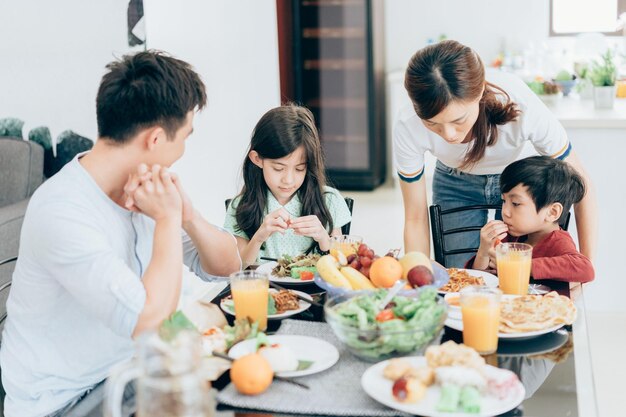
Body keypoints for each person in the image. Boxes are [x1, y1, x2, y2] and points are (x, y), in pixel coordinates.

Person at [0, 51, 241, 417]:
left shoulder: (146, 188)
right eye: (185, 138)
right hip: (67, 402)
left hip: (129, 376)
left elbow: (227, 267)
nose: (183, 151)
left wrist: (186, 216)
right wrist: (166, 219)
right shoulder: (63, 211)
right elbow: (151, 321)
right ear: (156, 139)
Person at [393, 40, 597, 267]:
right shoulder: (408, 123)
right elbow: (415, 217)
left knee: (522, 273)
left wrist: (587, 263)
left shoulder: (519, 101)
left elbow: (581, 185)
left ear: (479, 92)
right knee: (463, 274)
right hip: (455, 182)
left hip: (520, 184)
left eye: (458, 120)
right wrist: (418, 276)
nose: (449, 135)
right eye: (432, 124)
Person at [224, 105, 352, 266]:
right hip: (266, 290)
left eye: (299, 168)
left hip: (316, 290)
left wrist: (323, 238)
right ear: (257, 159)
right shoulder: (241, 206)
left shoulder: (329, 200)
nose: (289, 180)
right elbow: (239, 269)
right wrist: (259, 237)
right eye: (278, 168)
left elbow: (343, 264)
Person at [468, 156, 594, 282]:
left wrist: (522, 266)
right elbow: (477, 282)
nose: (505, 212)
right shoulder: (508, 238)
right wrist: (484, 251)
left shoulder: (558, 242)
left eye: (516, 203)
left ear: (552, 212)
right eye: (504, 201)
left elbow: (586, 269)